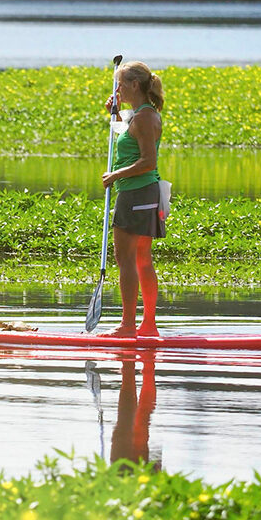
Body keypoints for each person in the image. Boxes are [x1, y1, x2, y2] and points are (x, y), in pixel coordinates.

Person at [101, 61, 166, 337]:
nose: (117, 89)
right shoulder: (140, 115)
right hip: (143, 193)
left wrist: (115, 175)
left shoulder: (144, 117)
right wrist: (114, 115)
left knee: (125, 259)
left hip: (136, 192)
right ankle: (147, 326)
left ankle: (129, 326)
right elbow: (127, 138)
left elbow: (148, 162)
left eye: (121, 84)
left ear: (134, 85)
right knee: (141, 259)